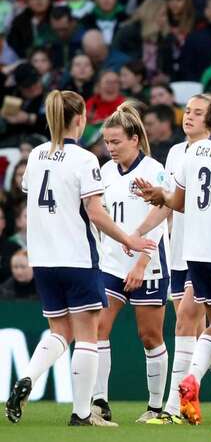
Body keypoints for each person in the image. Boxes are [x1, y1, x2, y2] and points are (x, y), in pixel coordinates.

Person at [4, 90, 154, 426]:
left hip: (42, 259)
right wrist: (128, 237)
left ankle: (27, 376)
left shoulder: (38, 155)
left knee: (60, 331)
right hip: (77, 257)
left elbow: (31, 194)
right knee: (88, 335)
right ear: (80, 119)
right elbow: (95, 212)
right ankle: (83, 413)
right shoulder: (85, 159)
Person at [135, 95, 211, 426]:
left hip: (196, 255)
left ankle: (190, 381)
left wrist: (159, 195)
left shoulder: (191, 153)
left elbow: (178, 202)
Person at [89, 102, 171, 425]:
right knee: (97, 330)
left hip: (147, 262)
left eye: (116, 142)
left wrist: (141, 261)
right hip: (110, 263)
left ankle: (154, 407)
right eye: (107, 142)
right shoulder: (104, 173)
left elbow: (164, 216)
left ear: (135, 139)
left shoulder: (154, 170)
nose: (110, 148)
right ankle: (99, 402)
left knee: (149, 336)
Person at [140, 93, 211, 425]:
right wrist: (140, 234)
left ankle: (173, 408)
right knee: (206, 337)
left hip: (209, 253)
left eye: (199, 113)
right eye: (188, 111)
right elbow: (168, 204)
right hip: (179, 253)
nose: (190, 117)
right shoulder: (174, 152)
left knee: (185, 324)